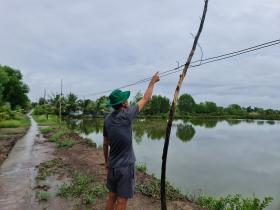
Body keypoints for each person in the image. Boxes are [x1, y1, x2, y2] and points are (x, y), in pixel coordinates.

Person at [103, 72, 160, 210]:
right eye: (126, 99)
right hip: (125, 167)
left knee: (112, 196)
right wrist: (152, 82)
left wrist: (106, 162)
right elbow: (146, 98)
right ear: (123, 103)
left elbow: (105, 143)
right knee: (122, 201)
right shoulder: (127, 115)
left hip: (112, 166)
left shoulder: (107, 120)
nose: (128, 101)